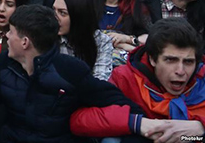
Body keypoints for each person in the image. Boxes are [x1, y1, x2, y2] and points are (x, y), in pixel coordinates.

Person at [0, 4, 143, 143]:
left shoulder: (70, 71)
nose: (7, 37)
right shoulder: (5, 64)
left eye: (11, 32)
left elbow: (117, 101)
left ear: (25, 42)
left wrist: (143, 123)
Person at [72, 18, 205, 141]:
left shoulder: (202, 78)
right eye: (170, 60)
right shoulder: (126, 78)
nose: (180, 71)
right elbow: (80, 120)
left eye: (188, 62)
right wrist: (136, 123)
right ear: (152, 59)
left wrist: (200, 127)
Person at [53, 0, 113, 80]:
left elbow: (100, 79)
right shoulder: (47, 36)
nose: (55, 17)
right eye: (54, 10)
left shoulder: (101, 40)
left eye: (62, 13)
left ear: (79, 16)